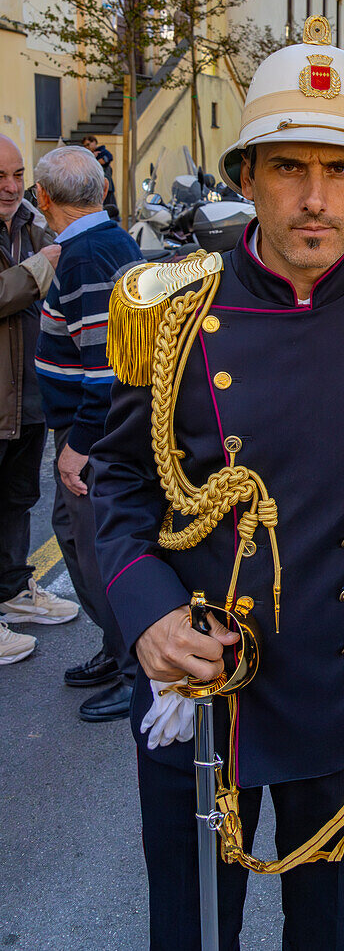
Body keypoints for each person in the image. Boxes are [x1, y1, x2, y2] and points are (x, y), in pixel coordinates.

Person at [90, 16, 344, 950]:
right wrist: (149, 620)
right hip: (200, 683)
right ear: (246, 178)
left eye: (340, 170)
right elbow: (122, 485)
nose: (314, 198)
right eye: (289, 167)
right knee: (193, 929)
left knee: (330, 932)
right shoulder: (174, 312)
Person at [33, 146, 142, 717]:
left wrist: (76, 447)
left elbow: (105, 369)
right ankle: (113, 645)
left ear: (44, 198)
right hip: (91, 428)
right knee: (77, 540)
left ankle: (133, 667)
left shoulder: (84, 257)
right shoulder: (104, 243)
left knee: (96, 549)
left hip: (92, 434)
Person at [0, 136, 79, 663]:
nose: (10, 188)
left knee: (17, 499)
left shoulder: (32, 221)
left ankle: (13, 592)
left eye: (17, 175)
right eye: (0, 178)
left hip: (29, 398)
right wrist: (41, 267)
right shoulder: (41, 242)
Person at [82, 135, 117, 217]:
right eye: (85, 146)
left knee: (108, 209)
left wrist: (93, 158)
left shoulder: (102, 152)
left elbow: (104, 161)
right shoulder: (88, 155)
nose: (87, 147)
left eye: (88, 144)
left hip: (105, 186)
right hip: (93, 187)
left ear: (94, 142)